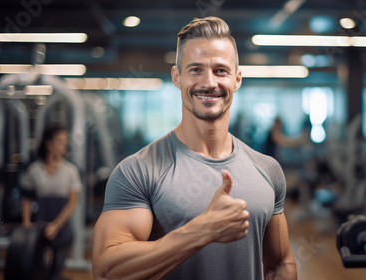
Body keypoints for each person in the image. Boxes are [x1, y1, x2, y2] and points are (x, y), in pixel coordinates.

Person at [92, 17, 297, 280]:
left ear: (237, 79)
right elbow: (106, 272)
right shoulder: (138, 171)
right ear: (177, 77)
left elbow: (280, 263)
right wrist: (202, 230)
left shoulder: (268, 169)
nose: (209, 82)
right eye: (196, 70)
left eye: (220, 70)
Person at [21, 123, 81, 280]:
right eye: (60, 141)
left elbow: (72, 203)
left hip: (62, 227)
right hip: (39, 226)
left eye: (65, 142)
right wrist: (27, 224)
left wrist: (55, 226)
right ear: (49, 144)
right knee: (37, 272)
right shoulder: (34, 170)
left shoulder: (71, 171)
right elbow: (27, 199)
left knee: (55, 274)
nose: (64, 146)